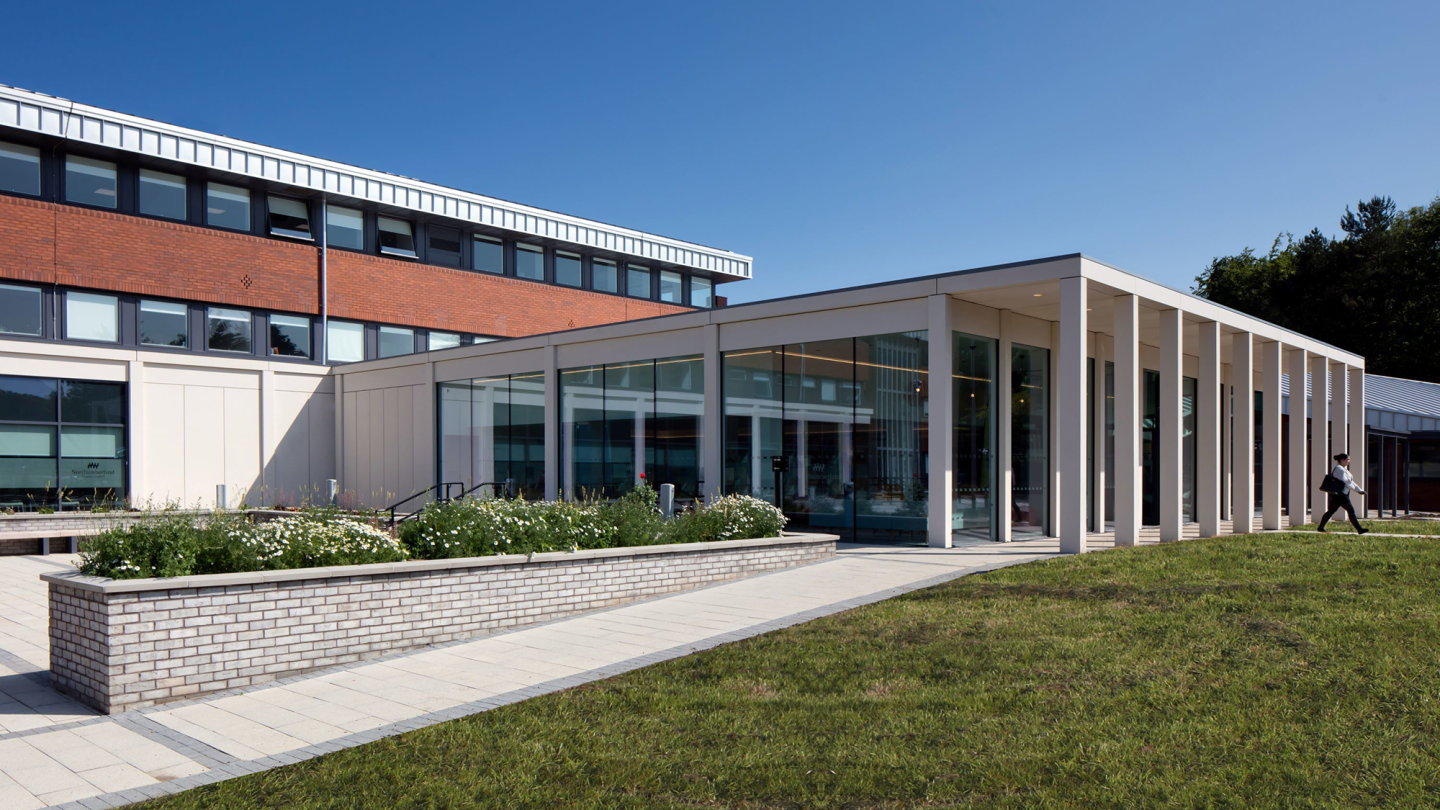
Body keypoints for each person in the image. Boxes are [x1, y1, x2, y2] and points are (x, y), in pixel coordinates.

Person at [1317, 452, 1368, 534]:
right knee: (1351, 511)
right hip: (1341, 495)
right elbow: (1347, 482)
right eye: (1348, 459)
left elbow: (1351, 482)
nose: (1349, 461)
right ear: (1342, 460)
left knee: (1331, 511)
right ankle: (1359, 529)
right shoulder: (1339, 469)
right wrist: (1357, 490)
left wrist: (1359, 490)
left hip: (1339, 494)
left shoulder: (1343, 469)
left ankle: (1320, 527)